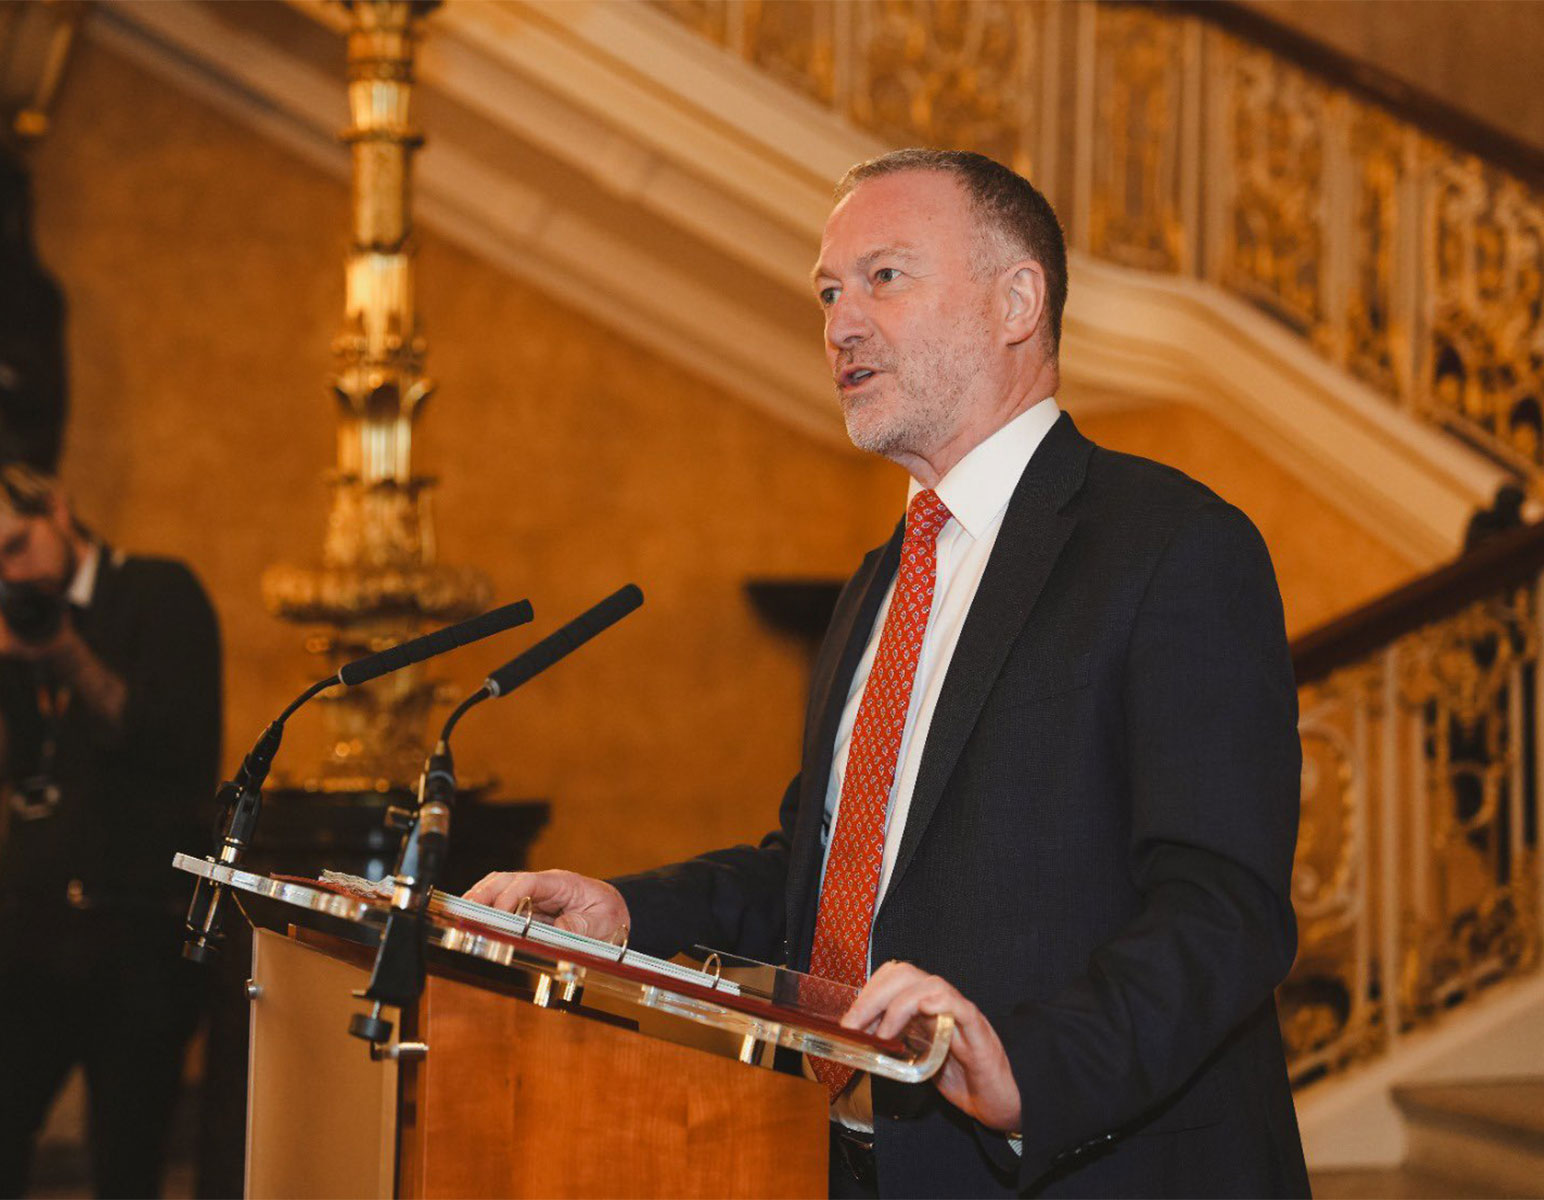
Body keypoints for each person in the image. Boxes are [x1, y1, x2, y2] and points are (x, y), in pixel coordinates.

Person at [466, 149, 1309, 1198]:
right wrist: (623, 916)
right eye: (827, 291)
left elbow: (1222, 906)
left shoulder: (1170, 548)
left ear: (1017, 301)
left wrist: (1026, 1069)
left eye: (884, 278)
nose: (839, 324)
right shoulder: (880, 580)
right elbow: (819, 880)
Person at [0, 464, 221, 1197]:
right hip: (27, 923)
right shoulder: (7, 621)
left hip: (140, 927)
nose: (12, 575)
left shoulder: (159, 594)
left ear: (59, 510)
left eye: (17, 548)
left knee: (127, 1162)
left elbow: (171, 740)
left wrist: (65, 654)